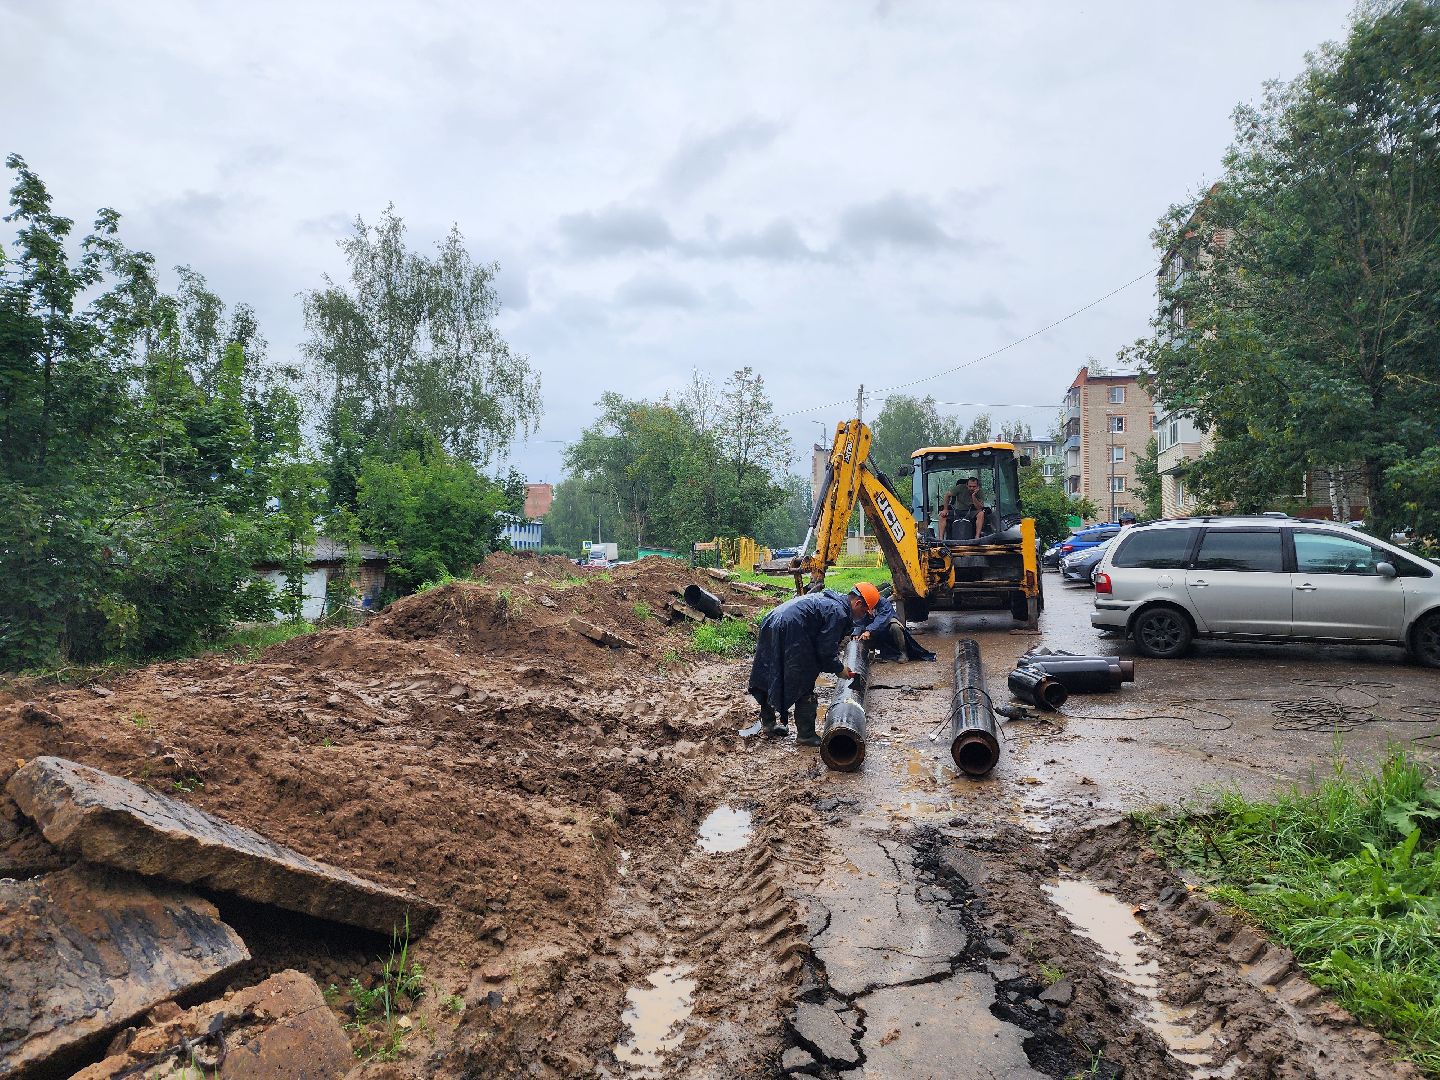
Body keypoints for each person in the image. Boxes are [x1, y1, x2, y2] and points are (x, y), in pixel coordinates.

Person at [748, 586, 877, 746]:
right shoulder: (839, 613)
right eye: (864, 612)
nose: (862, 617)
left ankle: (768, 723)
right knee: (804, 678)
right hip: (792, 628)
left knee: (770, 670)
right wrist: (839, 669)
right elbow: (825, 650)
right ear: (857, 603)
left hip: (772, 619)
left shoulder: (831, 601)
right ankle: (806, 734)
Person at [850, 581, 939, 664]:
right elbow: (859, 620)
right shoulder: (861, 605)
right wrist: (856, 633)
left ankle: (902, 653)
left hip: (886, 632)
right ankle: (869, 653)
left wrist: (869, 630)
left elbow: (882, 620)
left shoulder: (883, 603)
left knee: (895, 625)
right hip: (873, 633)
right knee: (861, 635)